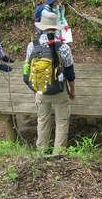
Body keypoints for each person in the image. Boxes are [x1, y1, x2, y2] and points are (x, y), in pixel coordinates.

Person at [24, 12, 76, 155]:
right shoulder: (63, 47)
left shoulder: (31, 46)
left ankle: (41, 152)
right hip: (59, 90)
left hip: (40, 90)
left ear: (41, 28)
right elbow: (70, 73)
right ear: (56, 28)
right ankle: (58, 154)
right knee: (62, 121)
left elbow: (27, 72)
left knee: (43, 120)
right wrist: (72, 90)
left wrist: (34, 88)